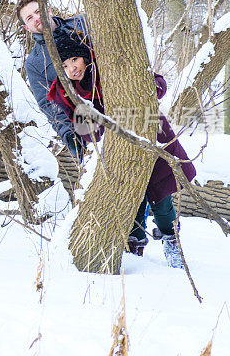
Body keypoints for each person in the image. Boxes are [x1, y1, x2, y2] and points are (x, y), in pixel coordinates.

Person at [46, 31, 197, 268]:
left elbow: (157, 83)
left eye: (74, 59)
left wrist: (149, 89)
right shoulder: (66, 92)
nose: (72, 68)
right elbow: (83, 130)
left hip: (148, 134)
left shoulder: (107, 64)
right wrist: (93, 129)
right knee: (131, 196)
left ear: (84, 56)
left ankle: (171, 240)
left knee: (160, 197)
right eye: (65, 65)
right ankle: (133, 245)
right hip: (114, 148)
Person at [17, 0, 87, 161]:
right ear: (27, 28)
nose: (36, 18)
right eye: (30, 18)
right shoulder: (35, 63)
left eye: (37, 11)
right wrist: (69, 133)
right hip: (89, 122)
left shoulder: (83, 23)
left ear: (47, 9)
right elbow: (49, 104)